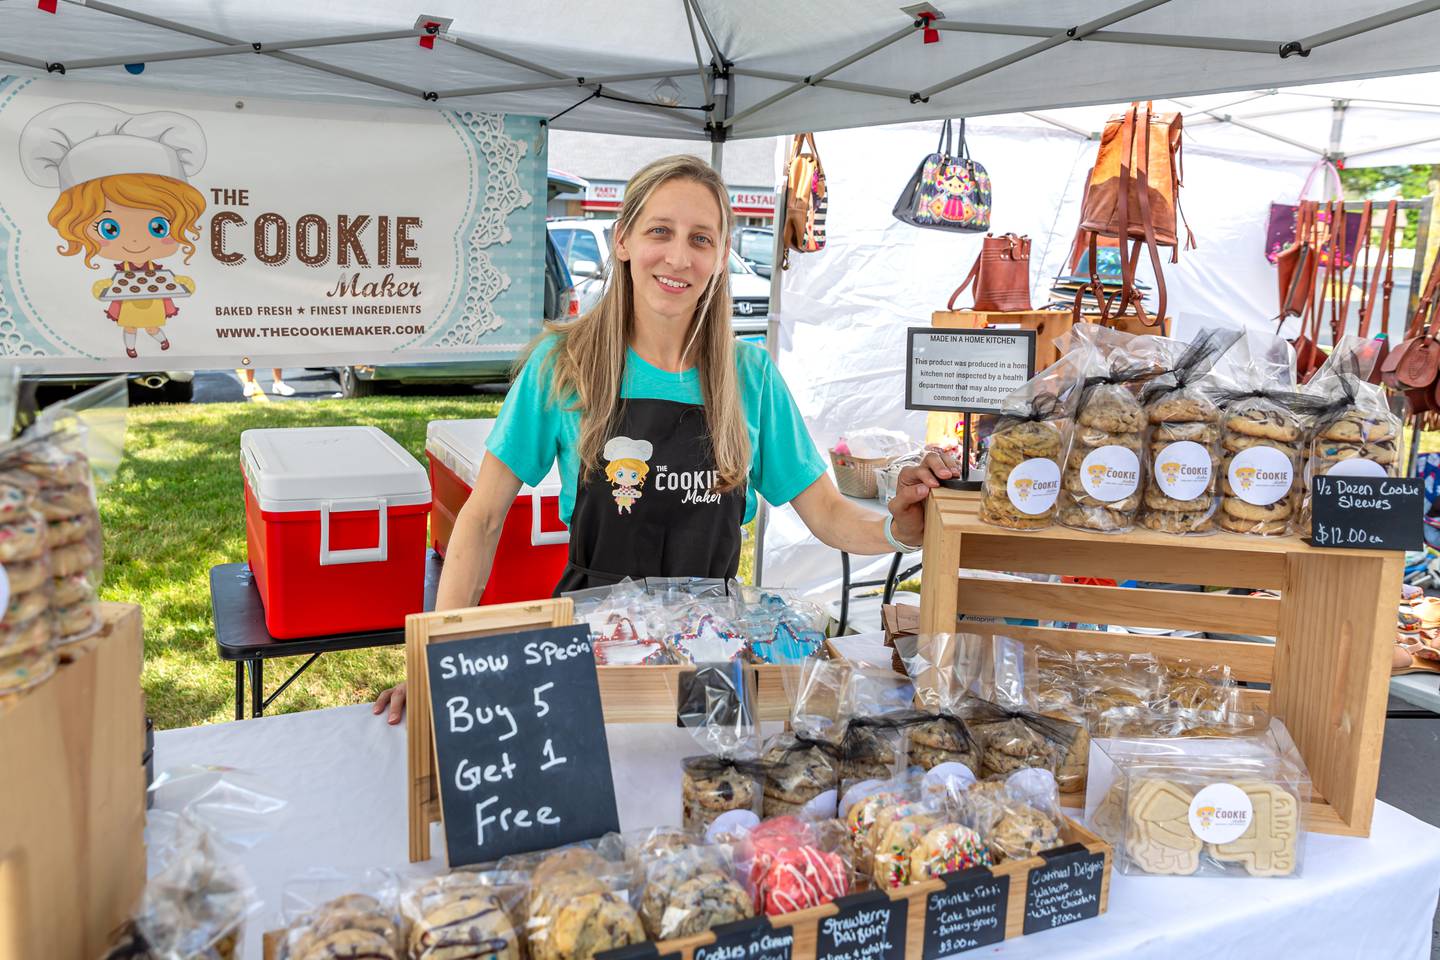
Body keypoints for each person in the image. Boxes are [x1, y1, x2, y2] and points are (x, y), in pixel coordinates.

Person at [374, 155, 957, 723]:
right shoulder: (564, 364)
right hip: (596, 642)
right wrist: (437, 659)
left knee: (709, 793)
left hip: (715, 653)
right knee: (602, 789)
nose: (678, 256)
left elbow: (827, 513)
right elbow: (480, 520)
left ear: (721, 256)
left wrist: (898, 527)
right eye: (661, 231)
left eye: (701, 238)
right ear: (622, 240)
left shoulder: (747, 376)